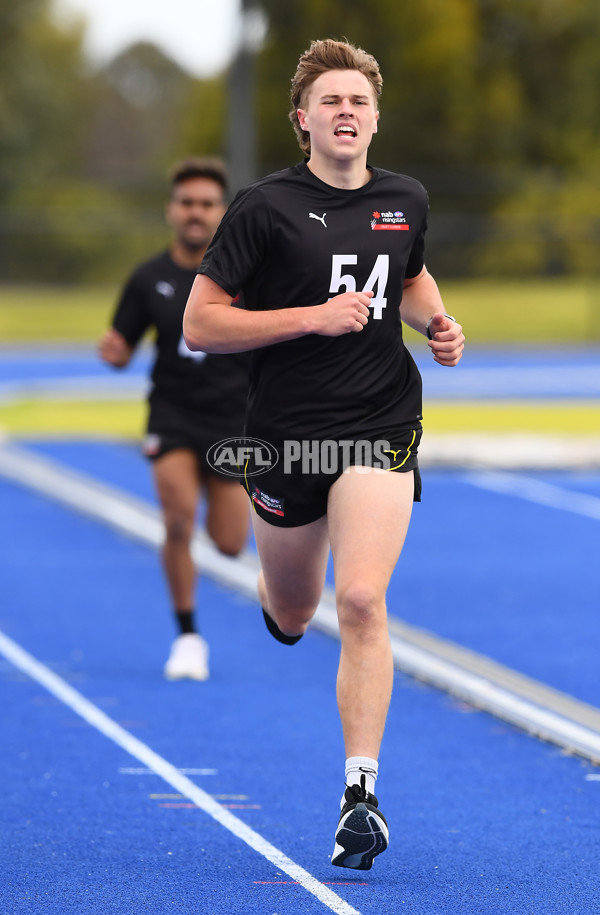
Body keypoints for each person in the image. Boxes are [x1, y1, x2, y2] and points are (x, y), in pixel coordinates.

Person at [183, 40, 465, 869]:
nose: (347, 111)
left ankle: (360, 795)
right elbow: (203, 323)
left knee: (363, 601)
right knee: (298, 611)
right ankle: (279, 599)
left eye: (360, 101)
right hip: (286, 437)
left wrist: (436, 324)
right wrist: (310, 315)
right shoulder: (263, 208)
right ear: (304, 119)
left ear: (376, 118)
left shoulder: (404, 198)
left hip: (379, 425)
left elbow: (408, 276)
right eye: (330, 101)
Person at [99, 157, 250, 683]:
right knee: (178, 517)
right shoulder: (148, 278)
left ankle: (216, 507)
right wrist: (114, 351)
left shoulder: (249, 274)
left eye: (207, 204)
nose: (196, 212)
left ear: (222, 212)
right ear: (171, 210)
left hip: (234, 419)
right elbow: (121, 347)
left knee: (231, 543)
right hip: (173, 413)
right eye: (187, 202)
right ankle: (188, 635)